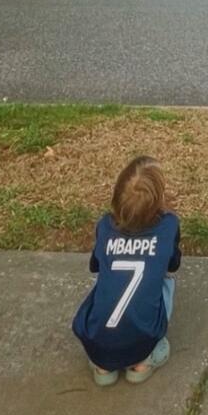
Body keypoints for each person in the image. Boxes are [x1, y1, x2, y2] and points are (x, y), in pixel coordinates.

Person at [72, 156, 181, 386]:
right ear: (159, 200)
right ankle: (143, 361)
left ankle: (103, 368)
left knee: (106, 282)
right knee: (167, 281)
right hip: (143, 338)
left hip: (96, 342)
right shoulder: (168, 226)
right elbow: (173, 265)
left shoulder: (104, 226)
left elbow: (95, 266)